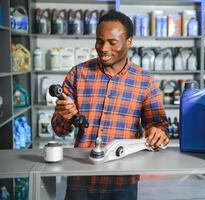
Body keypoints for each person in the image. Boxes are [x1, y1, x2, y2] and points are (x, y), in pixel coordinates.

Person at [51, 10, 169, 200]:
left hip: (123, 182)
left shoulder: (145, 81)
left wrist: (157, 132)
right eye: (99, 41)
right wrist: (65, 116)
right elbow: (59, 130)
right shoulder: (78, 74)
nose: (104, 48)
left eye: (112, 42)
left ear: (129, 42)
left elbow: (159, 125)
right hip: (80, 179)